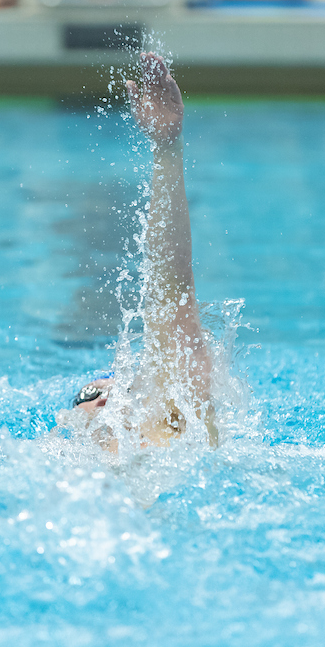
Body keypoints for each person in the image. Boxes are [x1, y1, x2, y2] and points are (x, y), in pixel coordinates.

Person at [65, 52, 219, 452]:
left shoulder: (174, 429)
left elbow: (172, 287)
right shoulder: (55, 457)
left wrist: (167, 149)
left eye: (126, 387)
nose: (109, 394)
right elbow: (172, 292)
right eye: (90, 393)